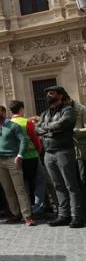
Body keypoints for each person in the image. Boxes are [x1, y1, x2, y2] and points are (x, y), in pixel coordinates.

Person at [36, 86, 83, 228]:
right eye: (47, 94)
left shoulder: (68, 110)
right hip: (49, 153)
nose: (48, 95)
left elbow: (63, 123)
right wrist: (51, 129)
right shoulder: (44, 113)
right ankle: (63, 215)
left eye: (52, 93)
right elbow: (37, 129)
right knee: (57, 185)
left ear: (61, 95)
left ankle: (77, 216)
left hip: (64, 151)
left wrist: (46, 129)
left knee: (71, 185)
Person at [0, 105, 35, 226]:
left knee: (19, 189)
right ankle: (15, 214)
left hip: (12, 160)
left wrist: (20, 155)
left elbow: (23, 140)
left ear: (4, 113)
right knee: (7, 190)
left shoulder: (14, 126)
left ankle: (27, 216)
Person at [8, 100, 46, 215]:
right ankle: (38, 207)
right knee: (40, 181)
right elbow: (35, 139)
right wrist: (39, 151)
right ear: (21, 109)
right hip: (32, 156)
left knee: (23, 184)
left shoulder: (8, 123)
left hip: (17, 158)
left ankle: (26, 208)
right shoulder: (27, 122)